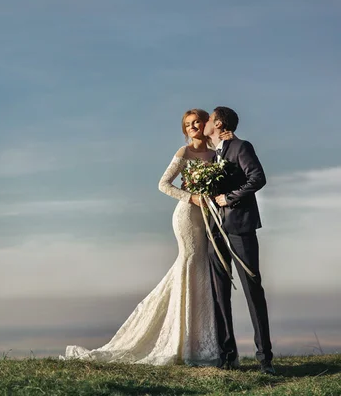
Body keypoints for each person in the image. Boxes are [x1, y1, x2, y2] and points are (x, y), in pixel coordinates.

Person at [60, 109, 232, 365]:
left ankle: (201, 343)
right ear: (184, 130)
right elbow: (163, 184)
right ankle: (179, 342)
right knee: (190, 264)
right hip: (187, 216)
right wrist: (191, 197)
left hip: (208, 218)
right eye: (188, 124)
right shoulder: (183, 153)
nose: (194, 126)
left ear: (205, 124)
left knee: (203, 271)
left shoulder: (216, 153)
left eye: (197, 122)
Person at [201, 106, 275, 374]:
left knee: (253, 290)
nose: (206, 123)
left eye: (209, 119)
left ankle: (264, 358)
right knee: (219, 293)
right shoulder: (213, 154)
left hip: (240, 228)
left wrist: (230, 197)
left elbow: (258, 177)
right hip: (215, 230)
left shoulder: (241, 147)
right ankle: (226, 355)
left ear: (218, 123)